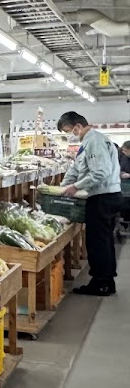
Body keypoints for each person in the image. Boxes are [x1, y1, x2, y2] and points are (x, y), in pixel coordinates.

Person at [58, 111, 121, 296]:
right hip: (104, 196)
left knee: (98, 242)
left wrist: (75, 187)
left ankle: (101, 283)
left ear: (77, 126)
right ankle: (106, 280)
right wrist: (62, 188)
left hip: (102, 197)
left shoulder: (94, 141)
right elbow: (76, 169)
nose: (70, 135)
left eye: (69, 131)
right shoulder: (87, 143)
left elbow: (100, 173)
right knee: (104, 240)